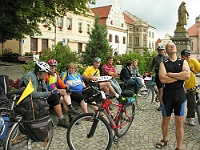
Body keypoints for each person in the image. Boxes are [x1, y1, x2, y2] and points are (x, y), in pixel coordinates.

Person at [156, 42, 190, 149]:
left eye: (173, 45)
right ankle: (165, 139)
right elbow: (162, 78)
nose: (172, 46)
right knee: (165, 119)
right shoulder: (163, 63)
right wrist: (180, 77)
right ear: (167, 50)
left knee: (179, 123)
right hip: (168, 95)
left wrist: (171, 74)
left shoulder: (183, 62)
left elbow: (187, 75)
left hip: (179, 95)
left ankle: (179, 147)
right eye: (169, 46)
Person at [44, 59, 79, 128]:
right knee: (62, 96)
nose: (53, 68)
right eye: (51, 66)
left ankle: (70, 115)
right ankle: (65, 116)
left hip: (54, 93)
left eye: (54, 67)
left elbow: (60, 82)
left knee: (64, 97)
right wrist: (55, 90)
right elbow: (45, 86)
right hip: (48, 95)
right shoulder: (46, 75)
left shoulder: (56, 74)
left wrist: (66, 87)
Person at [181, 49, 200, 126]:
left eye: (189, 55)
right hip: (181, 88)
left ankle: (189, 117)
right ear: (182, 56)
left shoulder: (192, 61)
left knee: (191, 104)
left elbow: (199, 69)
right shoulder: (179, 63)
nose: (188, 57)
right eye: (186, 55)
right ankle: (178, 116)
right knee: (179, 103)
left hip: (191, 87)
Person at [148, 45, 168, 111]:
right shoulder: (155, 58)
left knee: (167, 91)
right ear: (158, 51)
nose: (161, 51)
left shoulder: (166, 58)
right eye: (160, 50)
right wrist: (148, 72)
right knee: (160, 91)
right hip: (158, 76)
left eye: (162, 50)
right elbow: (151, 66)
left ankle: (168, 105)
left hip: (166, 76)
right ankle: (161, 105)